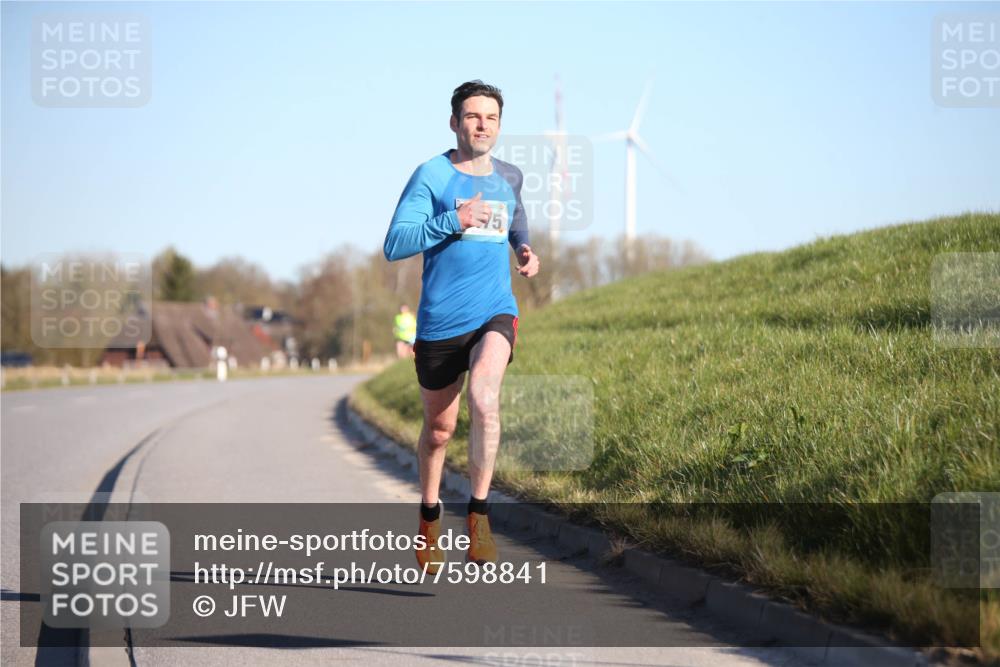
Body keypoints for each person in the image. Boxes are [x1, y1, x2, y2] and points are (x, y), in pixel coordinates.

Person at [383, 80, 540, 571]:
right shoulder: (431, 175)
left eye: (490, 118)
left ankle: (479, 516)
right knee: (438, 430)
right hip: (439, 322)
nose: (482, 125)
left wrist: (524, 250)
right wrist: (453, 220)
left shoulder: (510, 175)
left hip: (494, 309)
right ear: (454, 122)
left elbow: (517, 220)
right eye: (472, 116)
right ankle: (430, 518)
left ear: (499, 124)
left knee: (485, 400)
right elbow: (395, 244)